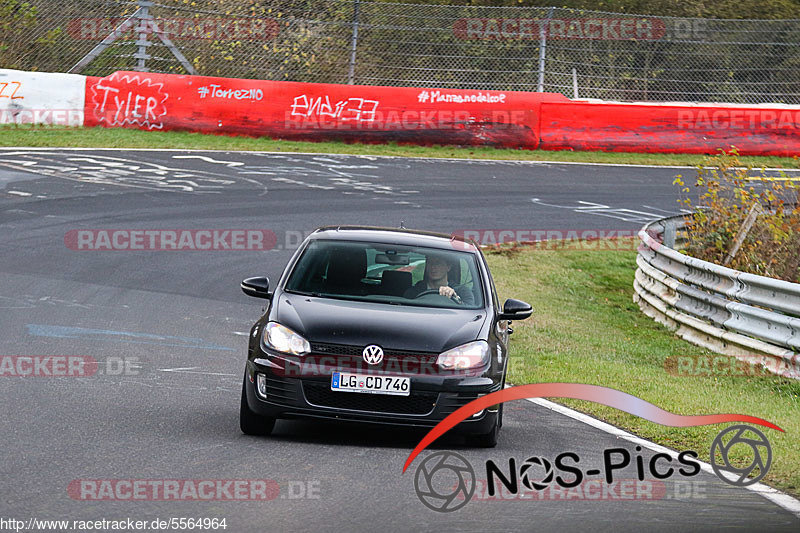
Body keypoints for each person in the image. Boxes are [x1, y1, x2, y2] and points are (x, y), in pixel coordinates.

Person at [403, 253, 475, 305]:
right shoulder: (414, 291)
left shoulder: (463, 292)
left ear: (448, 267)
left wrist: (456, 298)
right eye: (430, 263)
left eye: (438, 263)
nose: (433, 267)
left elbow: (470, 313)